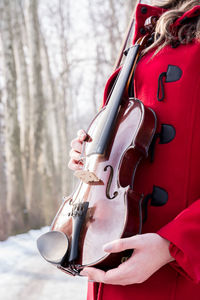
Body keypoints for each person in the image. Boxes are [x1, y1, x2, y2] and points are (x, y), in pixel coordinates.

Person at [68, 0, 200, 299]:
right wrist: (96, 151)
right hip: (110, 261)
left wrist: (173, 245)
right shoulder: (145, 35)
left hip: (179, 276)